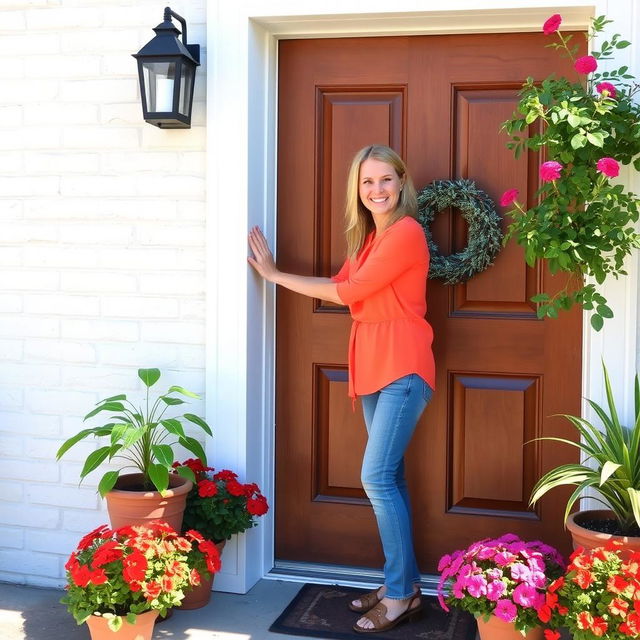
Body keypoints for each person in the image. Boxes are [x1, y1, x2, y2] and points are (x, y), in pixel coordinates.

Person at [248, 144, 435, 634]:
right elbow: (341, 282)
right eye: (367, 182)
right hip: (375, 366)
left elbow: (348, 294)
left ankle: (399, 595)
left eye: (386, 180)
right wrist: (279, 275)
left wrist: (272, 275)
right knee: (389, 477)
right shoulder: (369, 239)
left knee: (375, 477)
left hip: (403, 368)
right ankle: (404, 585)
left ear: (402, 182)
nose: (378, 190)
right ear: (358, 188)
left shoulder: (406, 232)